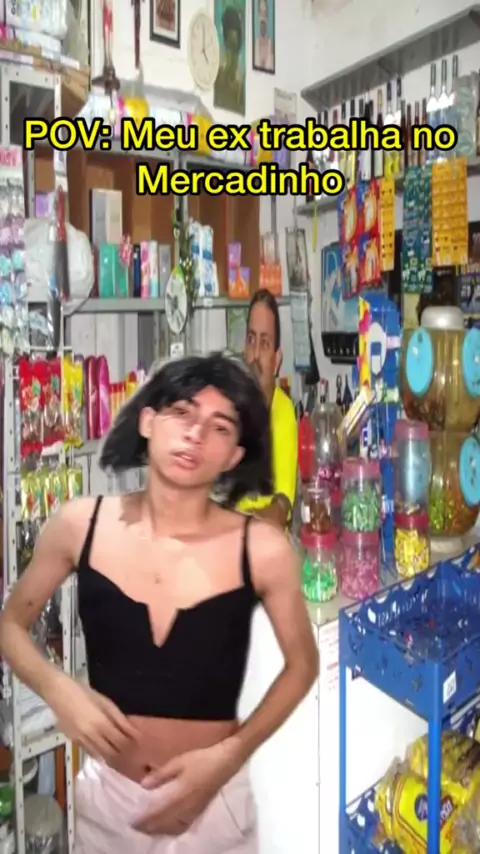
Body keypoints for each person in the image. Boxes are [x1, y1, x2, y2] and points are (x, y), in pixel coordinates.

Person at [0, 354, 318, 854]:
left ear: (233, 456)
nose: (196, 434)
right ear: (148, 420)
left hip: (214, 808)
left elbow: (303, 665)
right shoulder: (79, 525)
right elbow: (10, 626)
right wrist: (59, 689)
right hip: (109, 808)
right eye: (182, 412)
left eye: (219, 427)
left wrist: (232, 754)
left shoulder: (261, 549)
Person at [238, 289, 298, 528]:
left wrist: (231, 522)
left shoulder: (283, 413)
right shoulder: (228, 407)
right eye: (251, 340)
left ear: (277, 360)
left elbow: (280, 510)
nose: (255, 355)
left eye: (264, 343)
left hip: (265, 546)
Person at [214, 6, 245, 115]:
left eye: (234, 47)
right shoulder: (217, 78)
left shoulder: (240, 87)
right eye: (229, 46)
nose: (232, 54)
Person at [254, 0, 274, 71]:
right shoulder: (254, 45)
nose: (263, 17)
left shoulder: (272, 45)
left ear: (267, 17)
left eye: (265, 13)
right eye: (260, 12)